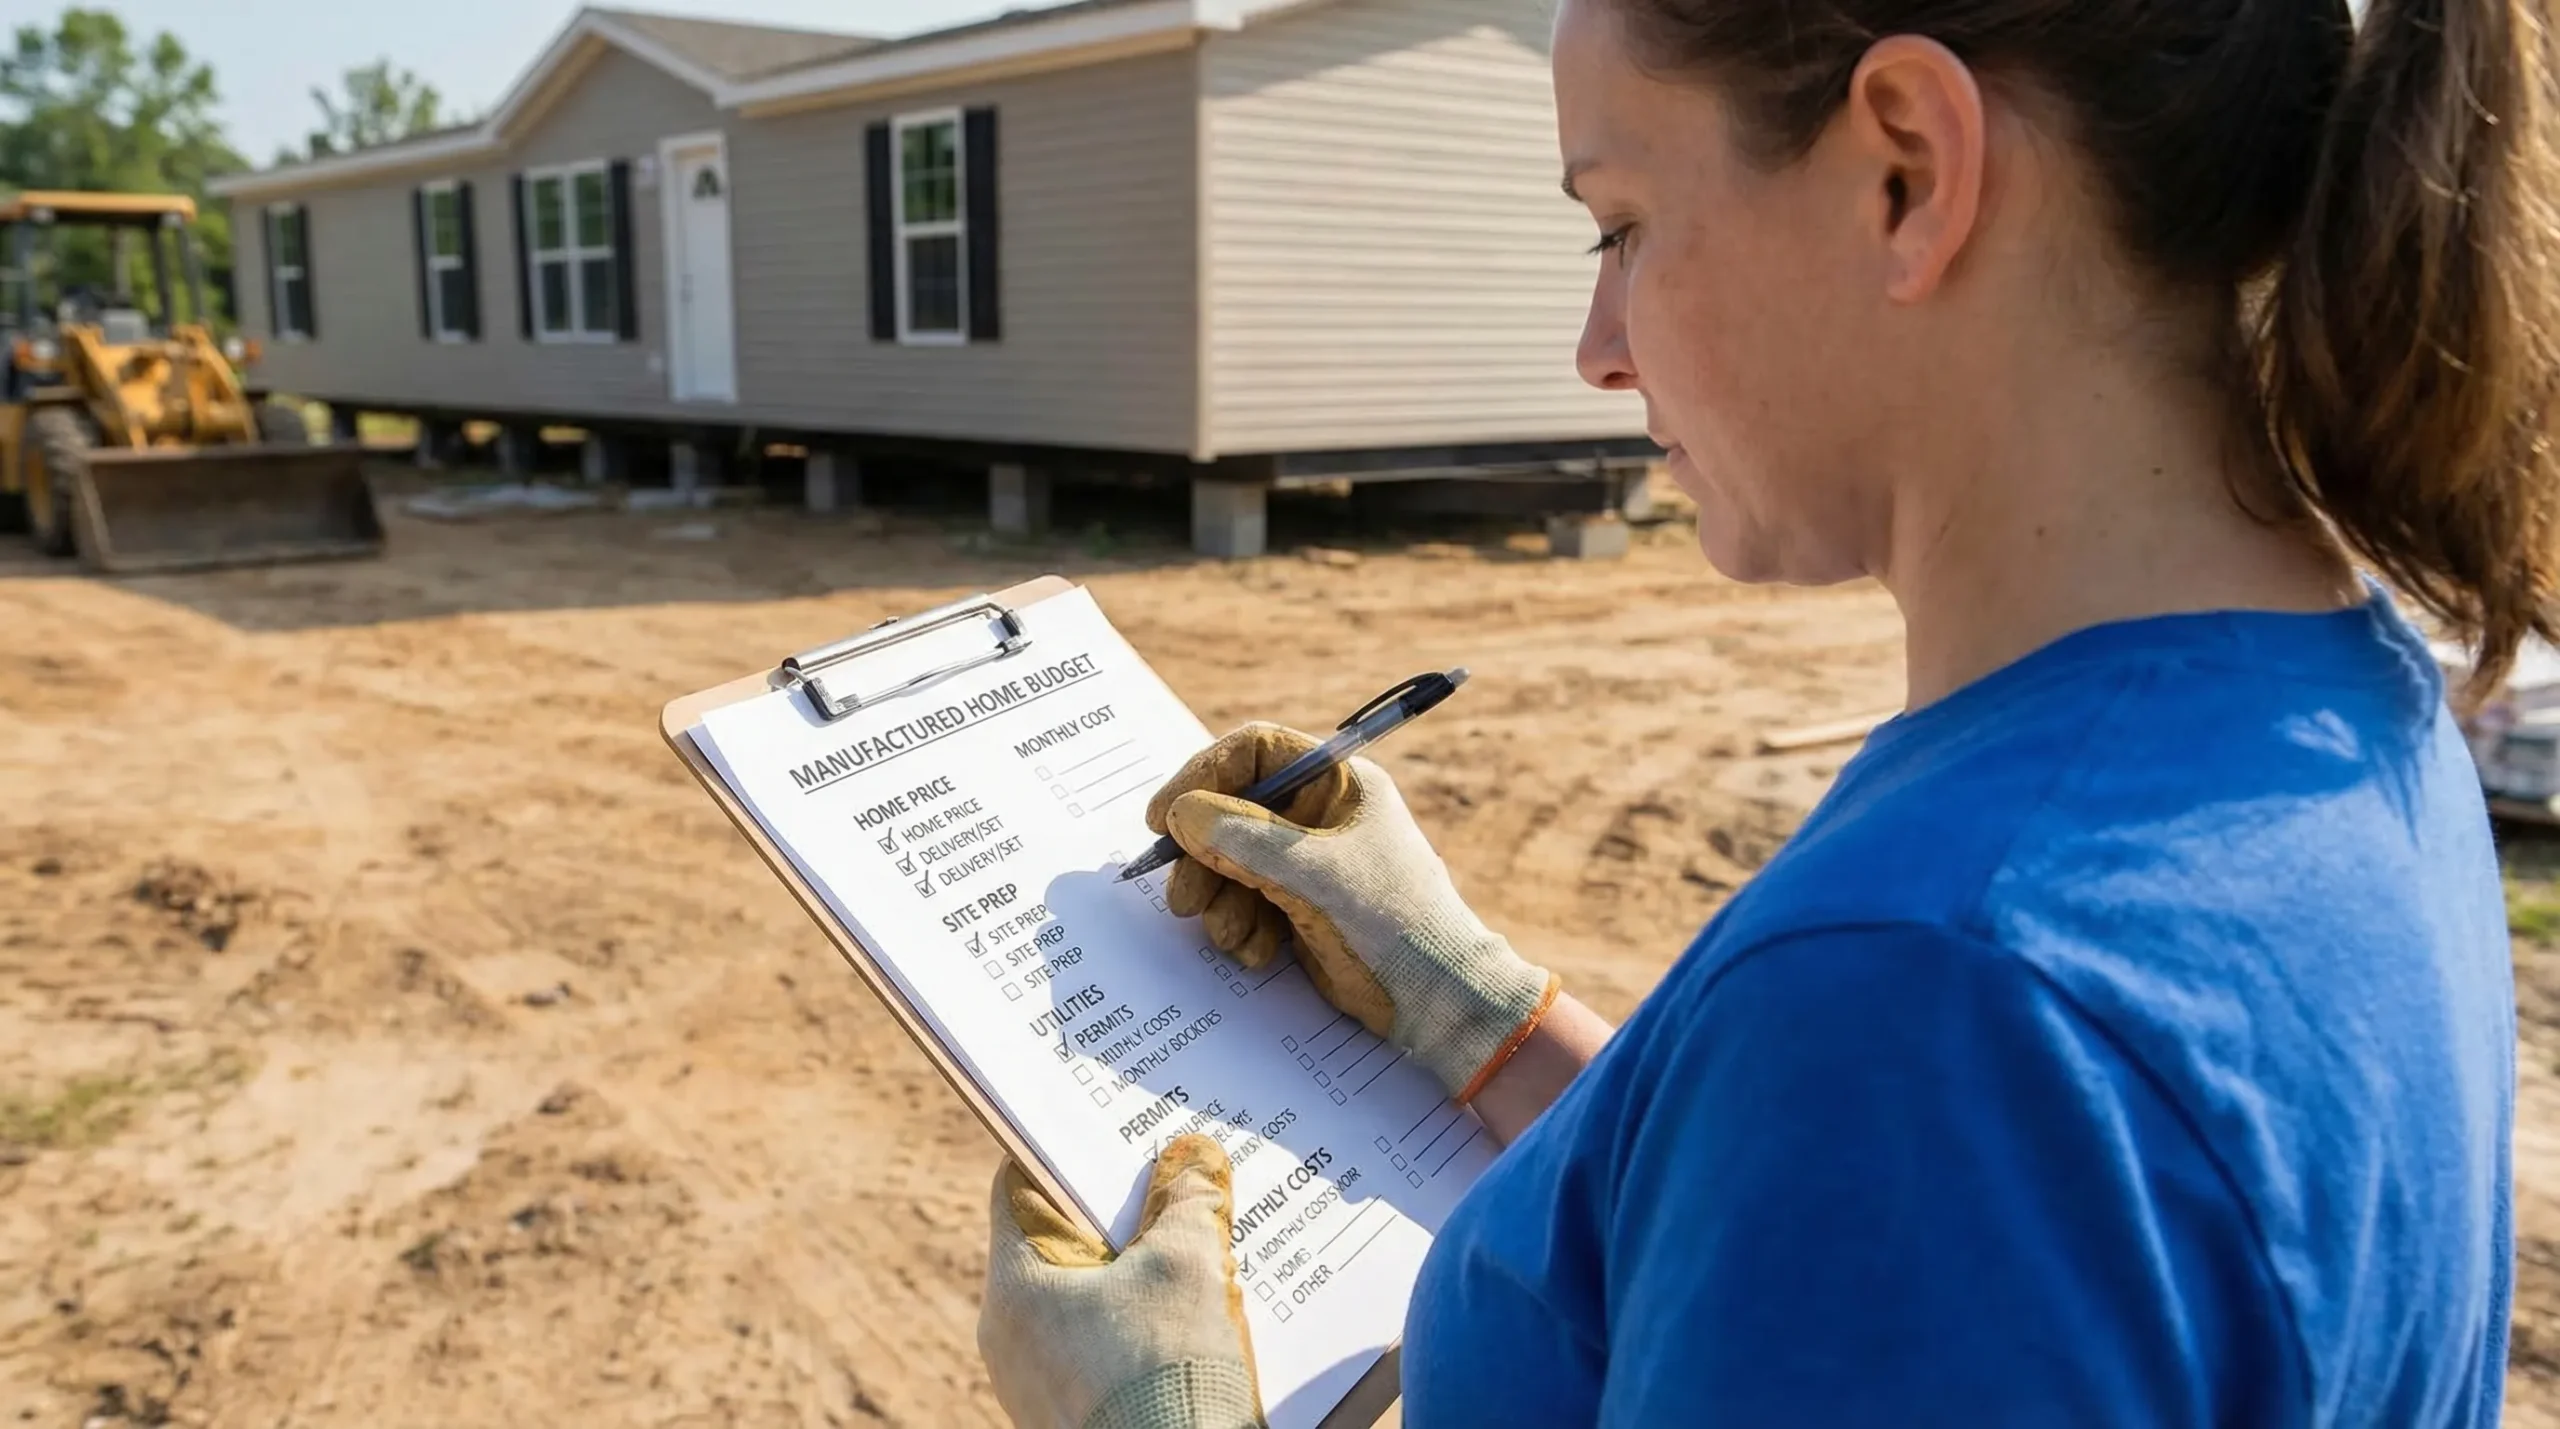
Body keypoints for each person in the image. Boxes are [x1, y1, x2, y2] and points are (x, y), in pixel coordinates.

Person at [973, 0, 2560, 1421]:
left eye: (1622, 224)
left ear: (1909, 170)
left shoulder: (1940, 1007)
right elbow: (1827, 1243)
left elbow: (1910, 1130)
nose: (1597, 350)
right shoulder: (2331, 705)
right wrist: (1474, 1010)